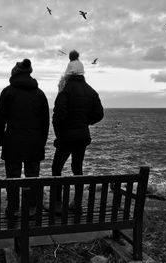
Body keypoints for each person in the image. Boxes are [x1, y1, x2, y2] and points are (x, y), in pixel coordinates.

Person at [0, 58, 49, 216]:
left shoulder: (7, 92)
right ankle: (32, 208)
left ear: (15, 73)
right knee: (33, 177)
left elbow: (0, 119)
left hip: (12, 141)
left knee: (12, 178)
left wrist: (0, 141)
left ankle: (13, 208)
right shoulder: (39, 94)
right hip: (34, 143)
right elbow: (45, 122)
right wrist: (42, 142)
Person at [52, 51, 104, 214]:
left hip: (66, 137)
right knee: (77, 169)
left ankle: (58, 204)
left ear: (68, 73)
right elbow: (99, 114)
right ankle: (77, 203)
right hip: (82, 136)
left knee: (56, 168)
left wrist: (60, 136)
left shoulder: (65, 91)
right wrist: (84, 122)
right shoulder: (91, 91)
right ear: (82, 73)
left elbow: (58, 116)